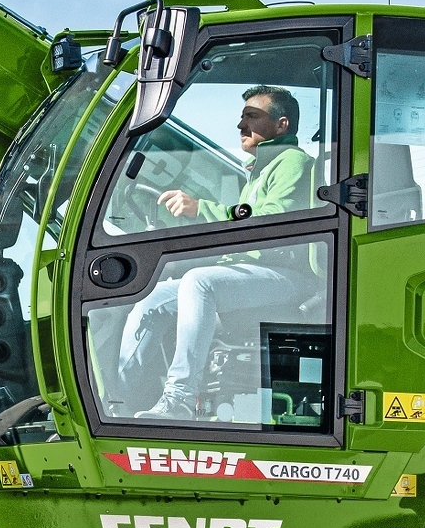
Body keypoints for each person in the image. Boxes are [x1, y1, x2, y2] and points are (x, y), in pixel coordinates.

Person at [120, 85, 323, 421]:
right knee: (151, 298)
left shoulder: (292, 162)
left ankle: (180, 399)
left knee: (200, 282)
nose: (241, 126)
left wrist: (201, 208)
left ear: (281, 125)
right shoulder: (258, 171)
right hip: (255, 270)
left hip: (290, 276)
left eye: (252, 118)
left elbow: (272, 219)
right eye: (242, 118)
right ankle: (122, 404)